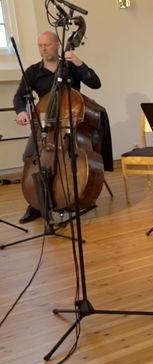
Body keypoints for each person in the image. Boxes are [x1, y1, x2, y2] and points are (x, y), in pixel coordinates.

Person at [12, 31, 102, 224]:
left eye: (47, 45)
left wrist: (79, 63)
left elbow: (96, 83)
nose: (43, 49)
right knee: (30, 156)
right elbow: (19, 97)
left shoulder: (70, 67)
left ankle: (71, 196)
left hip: (69, 126)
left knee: (69, 160)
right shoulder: (33, 72)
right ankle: (38, 204)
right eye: (40, 46)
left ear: (58, 44)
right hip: (44, 126)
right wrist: (21, 111)